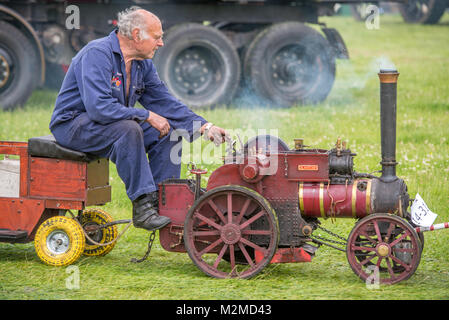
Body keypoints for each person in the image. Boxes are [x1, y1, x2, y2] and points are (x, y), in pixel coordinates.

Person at [49, 7, 228, 231]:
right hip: (73, 125)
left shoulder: (142, 64)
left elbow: (164, 102)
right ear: (136, 35)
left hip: (108, 125)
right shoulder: (96, 54)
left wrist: (204, 126)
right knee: (129, 129)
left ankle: (166, 201)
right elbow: (99, 108)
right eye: (157, 37)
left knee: (168, 131)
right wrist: (146, 115)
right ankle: (143, 207)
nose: (161, 43)